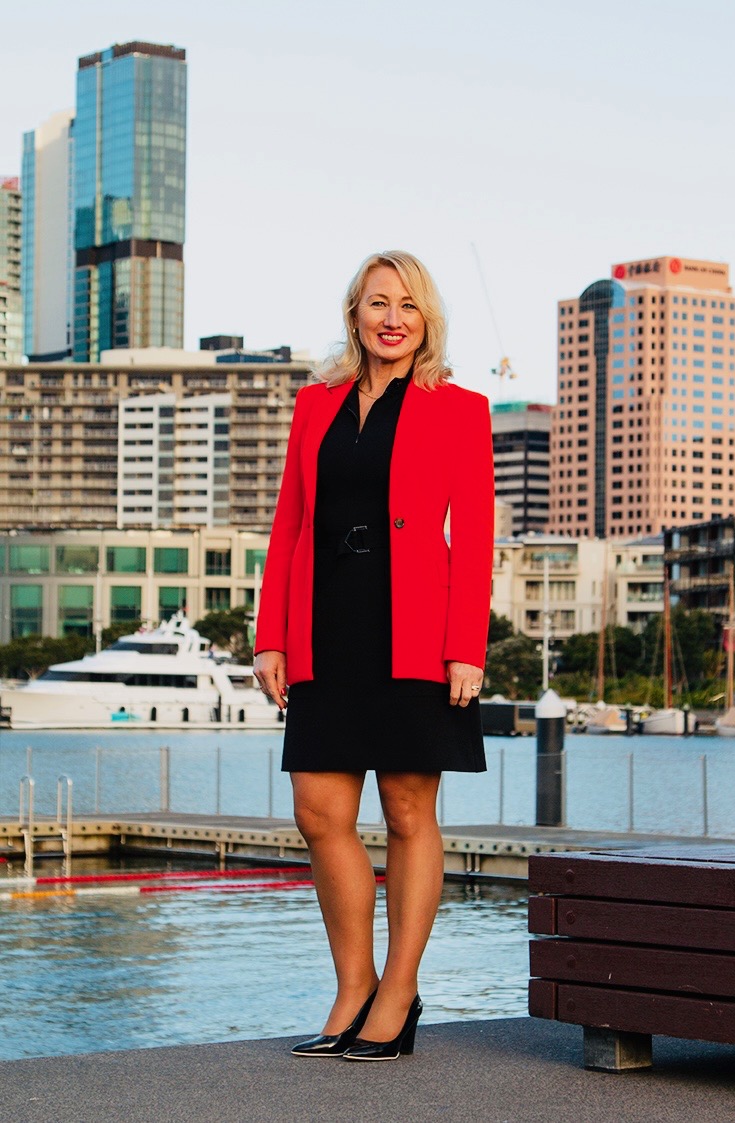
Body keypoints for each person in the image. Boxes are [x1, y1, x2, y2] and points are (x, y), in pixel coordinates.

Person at [253, 250, 494, 1062]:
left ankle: (398, 991)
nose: (392, 318)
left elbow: (476, 538)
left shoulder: (458, 407)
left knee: (404, 810)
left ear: (426, 321)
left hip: (415, 630)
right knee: (319, 811)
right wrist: (270, 635)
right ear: (353, 312)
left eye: (408, 306)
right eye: (376, 302)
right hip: (325, 623)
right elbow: (288, 522)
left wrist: (466, 647)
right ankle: (351, 986)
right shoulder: (313, 403)